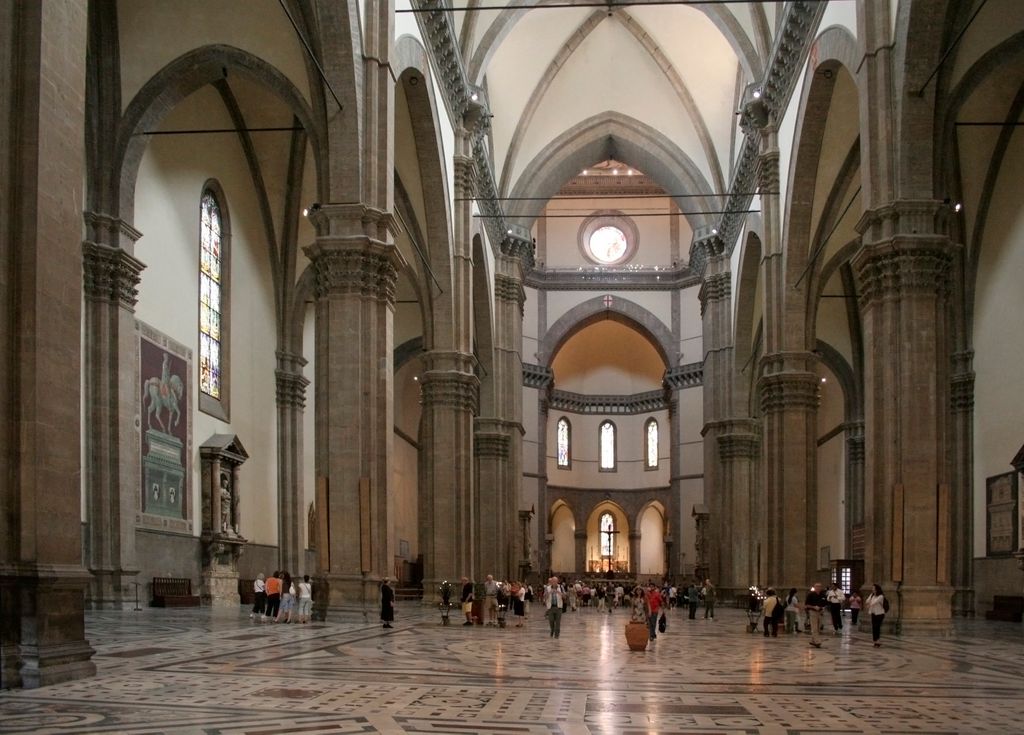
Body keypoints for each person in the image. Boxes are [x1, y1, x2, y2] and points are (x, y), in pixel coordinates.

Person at [804, 582, 827, 648]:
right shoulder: (810, 595)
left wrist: (823, 607)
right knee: (814, 627)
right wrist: (814, 607)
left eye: (819, 587)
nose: (818, 588)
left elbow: (825, 603)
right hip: (813, 612)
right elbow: (807, 604)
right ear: (814, 587)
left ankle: (813, 640)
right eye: (817, 587)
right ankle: (817, 642)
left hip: (820, 612)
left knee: (819, 627)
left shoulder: (823, 595)